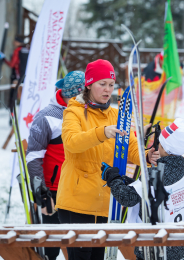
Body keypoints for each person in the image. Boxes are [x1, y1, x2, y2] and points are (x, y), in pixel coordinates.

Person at [55, 59, 159, 260]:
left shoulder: (117, 115)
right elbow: (71, 142)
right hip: (77, 202)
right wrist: (101, 132)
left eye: (111, 85)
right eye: (102, 84)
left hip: (106, 203)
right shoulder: (73, 111)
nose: (107, 90)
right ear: (89, 84)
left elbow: (129, 148)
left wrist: (146, 156)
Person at [102, 118, 184, 260]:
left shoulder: (155, 174)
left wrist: (113, 178)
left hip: (153, 250)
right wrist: (130, 183)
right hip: (178, 248)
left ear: (163, 147)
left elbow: (127, 198)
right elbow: (150, 192)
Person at [26, 71, 85, 260]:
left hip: (80, 189)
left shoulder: (88, 111)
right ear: (75, 94)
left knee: (80, 245)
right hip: (54, 191)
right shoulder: (46, 117)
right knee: (50, 247)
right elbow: (33, 156)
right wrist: (42, 194)